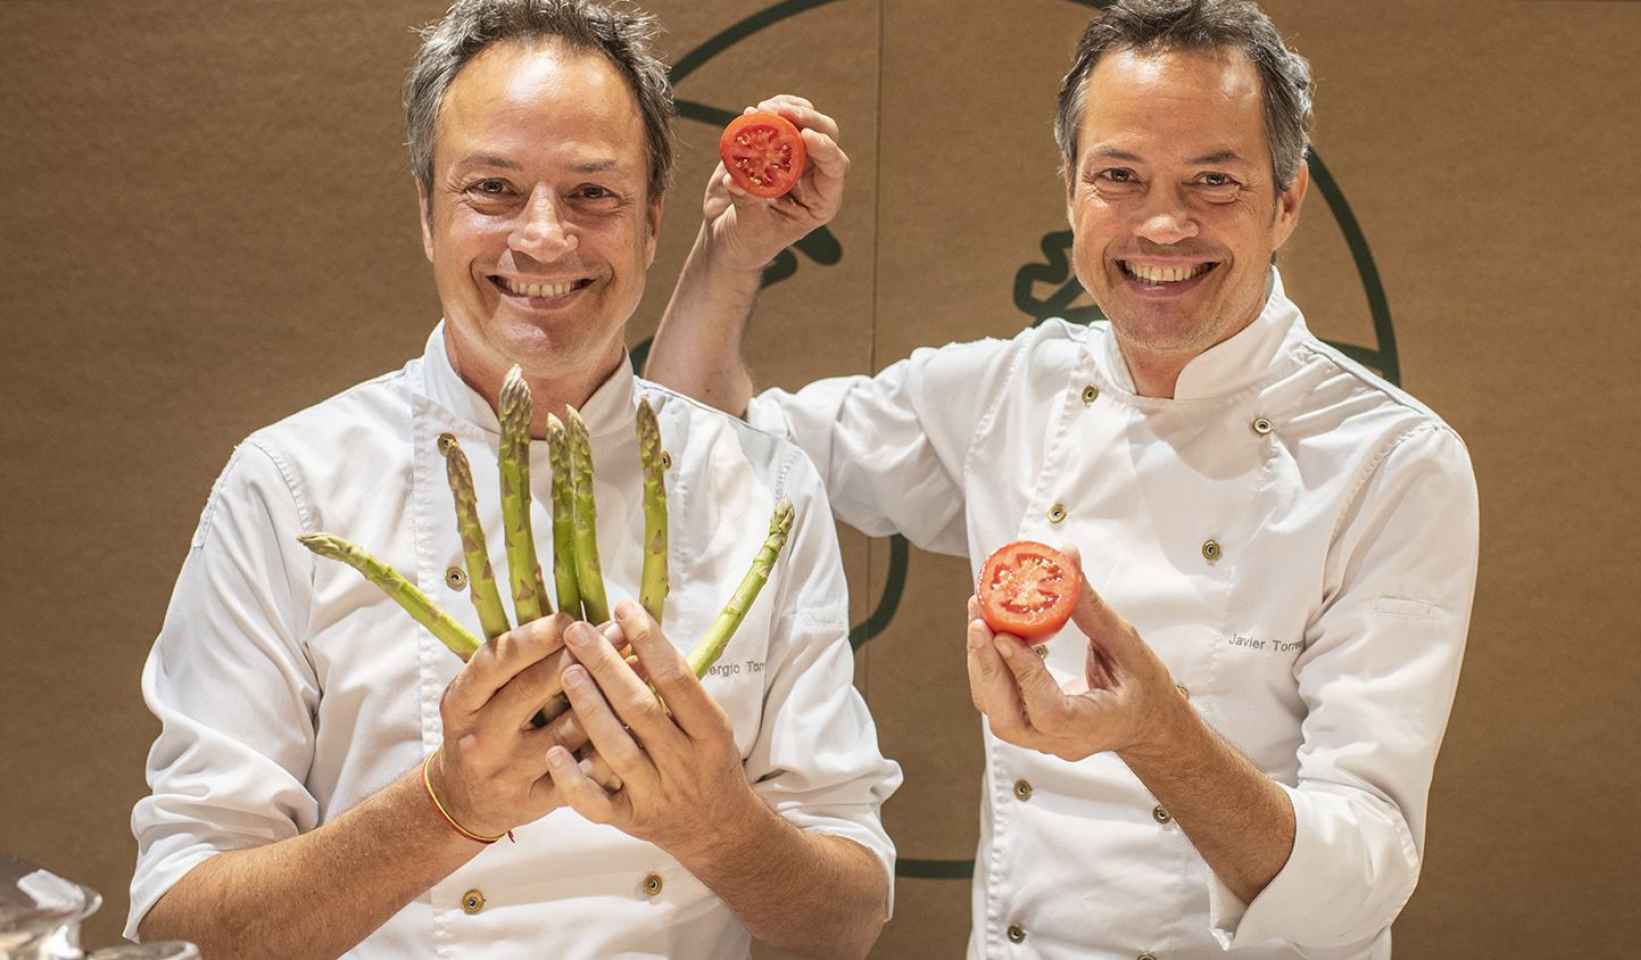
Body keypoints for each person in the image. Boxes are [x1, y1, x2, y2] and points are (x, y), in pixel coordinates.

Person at [644, 1, 1478, 957]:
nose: (1163, 224)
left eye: (1215, 181)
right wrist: (732, 250)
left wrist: (1160, 737)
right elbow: (700, 448)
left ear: (1286, 203)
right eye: (1119, 177)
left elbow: (1361, 875)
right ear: (1072, 195)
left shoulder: (1390, 460)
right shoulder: (1011, 391)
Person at [124, 2, 900, 958]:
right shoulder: (289, 488)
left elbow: (847, 922)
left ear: (653, 224)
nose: (543, 240)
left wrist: (716, 825)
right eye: (492, 188)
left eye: (593, 195)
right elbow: (179, 925)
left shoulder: (763, 486)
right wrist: (447, 807)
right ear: (426, 214)